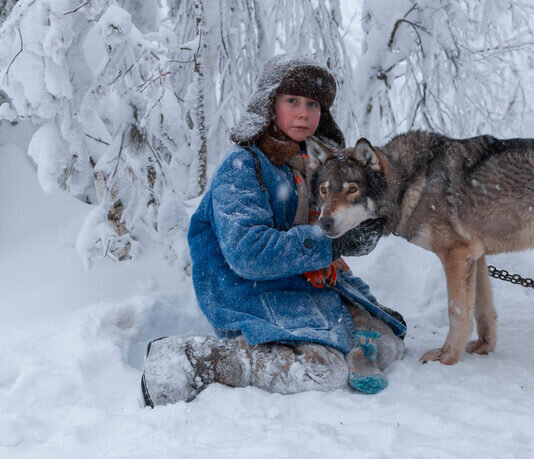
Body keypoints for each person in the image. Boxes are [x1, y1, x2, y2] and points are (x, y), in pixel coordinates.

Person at [141, 55, 407, 407]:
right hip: (247, 292)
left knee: (386, 344)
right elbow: (248, 253)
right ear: (269, 105)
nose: (304, 113)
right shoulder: (242, 166)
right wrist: (331, 243)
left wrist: (352, 260)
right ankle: (192, 359)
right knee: (323, 371)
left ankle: (331, 340)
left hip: (296, 284)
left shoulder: (309, 167)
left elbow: (323, 246)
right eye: (292, 101)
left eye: (313, 104)